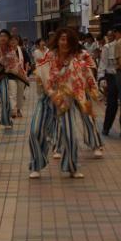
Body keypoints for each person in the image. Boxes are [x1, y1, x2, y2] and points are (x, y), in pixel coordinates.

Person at [29, 28, 102, 180]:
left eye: (68, 39)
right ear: (57, 40)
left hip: (66, 100)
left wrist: (94, 91)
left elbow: (87, 73)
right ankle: (36, 165)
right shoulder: (49, 56)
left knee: (70, 135)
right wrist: (51, 93)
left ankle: (72, 166)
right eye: (62, 39)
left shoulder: (77, 59)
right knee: (35, 130)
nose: (65, 42)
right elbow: (42, 73)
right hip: (47, 99)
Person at [98, 26, 121, 137]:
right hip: (112, 77)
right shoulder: (107, 47)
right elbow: (103, 64)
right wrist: (101, 78)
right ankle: (106, 128)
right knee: (112, 104)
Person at [0, 30, 14, 127]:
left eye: (5, 36)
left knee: (5, 98)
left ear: (8, 38)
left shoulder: (11, 50)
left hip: (3, 77)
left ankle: (5, 120)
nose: (3, 38)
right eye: (1, 36)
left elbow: (12, 65)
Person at [8, 35, 29, 118]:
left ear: (17, 41)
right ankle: (13, 110)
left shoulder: (22, 50)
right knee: (12, 94)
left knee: (20, 94)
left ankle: (19, 109)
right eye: (11, 40)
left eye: (15, 40)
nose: (13, 42)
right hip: (10, 76)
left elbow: (27, 61)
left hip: (21, 75)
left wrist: (26, 71)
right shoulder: (6, 51)